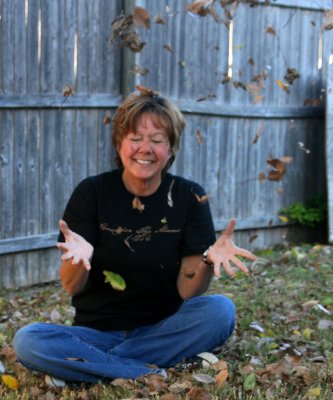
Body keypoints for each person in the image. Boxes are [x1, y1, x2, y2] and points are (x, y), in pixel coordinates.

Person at [14, 87, 256, 384]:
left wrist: (207, 260)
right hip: (96, 333)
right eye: (136, 138)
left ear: (170, 149)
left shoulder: (189, 196)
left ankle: (97, 367)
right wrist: (82, 258)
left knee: (220, 310)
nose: (146, 149)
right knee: (28, 340)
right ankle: (148, 371)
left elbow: (187, 292)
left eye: (157, 140)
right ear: (120, 144)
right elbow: (70, 286)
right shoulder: (92, 193)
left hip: (163, 329)